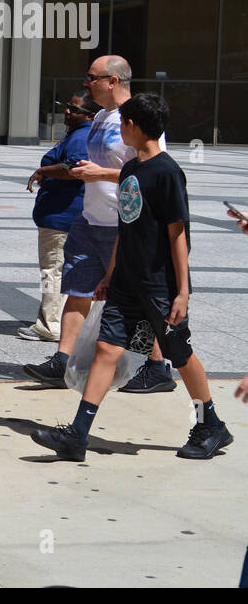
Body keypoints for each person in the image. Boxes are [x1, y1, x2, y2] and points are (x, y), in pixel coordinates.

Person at [30, 94, 233, 462]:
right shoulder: (130, 170)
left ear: (134, 126)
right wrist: (110, 273)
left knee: (179, 353)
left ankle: (211, 424)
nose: (119, 128)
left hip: (160, 285)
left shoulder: (167, 172)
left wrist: (182, 292)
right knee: (107, 349)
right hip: (125, 282)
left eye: (122, 122)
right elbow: (125, 227)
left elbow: (178, 234)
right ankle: (77, 436)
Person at [24, 55, 172, 392]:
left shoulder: (141, 118)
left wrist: (99, 173)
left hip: (125, 227)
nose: (85, 83)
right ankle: (62, 360)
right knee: (77, 291)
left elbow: (153, 175)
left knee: (139, 297)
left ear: (113, 81)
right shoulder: (104, 116)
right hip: (90, 220)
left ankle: (157, 366)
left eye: (92, 77)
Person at [18, 94, 98, 342]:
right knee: (64, 272)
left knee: (51, 271)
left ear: (90, 115)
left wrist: (42, 170)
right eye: (66, 106)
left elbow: (74, 168)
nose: (67, 112)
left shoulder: (81, 136)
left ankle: (50, 325)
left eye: (73, 108)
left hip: (62, 217)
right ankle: (64, 322)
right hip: (66, 216)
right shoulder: (82, 134)